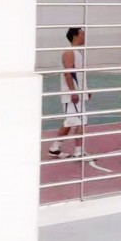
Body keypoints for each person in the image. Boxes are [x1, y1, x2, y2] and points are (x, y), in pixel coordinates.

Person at [48, 28, 89, 159]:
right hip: (72, 95)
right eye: (82, 34)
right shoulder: (69, 53)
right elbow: (68, 73)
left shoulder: (78, 53)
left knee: (71, 122)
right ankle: (78, 151)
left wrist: (86, 91)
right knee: (79, 122)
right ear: (75, 36)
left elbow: (79, 75)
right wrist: (73, 92)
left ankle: (55, 148)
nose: (84, 36)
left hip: (78, 94)